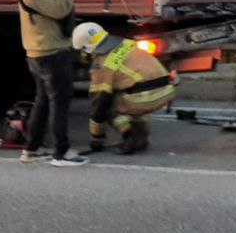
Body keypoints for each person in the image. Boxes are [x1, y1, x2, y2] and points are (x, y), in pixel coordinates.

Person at [18, 0, 87, 166]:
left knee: (44, 101)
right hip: (50, 54)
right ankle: (61, 153)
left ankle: (32, 148)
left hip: (43, 53)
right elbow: (60, 9)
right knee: (60, 103)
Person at [71, 22, 174, 155]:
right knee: (130, 99)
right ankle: (142, 137)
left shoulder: (102, 65)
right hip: (166, 90)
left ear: (88, 47)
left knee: (109, 106)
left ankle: (130, 136)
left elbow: (99, 103)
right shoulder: (126, 43)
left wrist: (97, 137)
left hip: (146, 97)